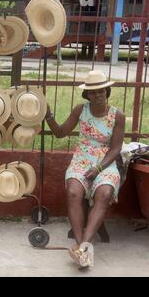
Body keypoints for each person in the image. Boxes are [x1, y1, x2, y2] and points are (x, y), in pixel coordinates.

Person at [45, 70, 125, 268]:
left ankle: (83, 246)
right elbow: (60, 133)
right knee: (73, 192)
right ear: (87, 94)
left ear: (107, 91)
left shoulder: (118, 115)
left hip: (105, 162)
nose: (97, 95)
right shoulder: (81, 110)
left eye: (100, 91)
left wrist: (98, 168)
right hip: (81, 160)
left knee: (105, 193)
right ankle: (81, 247)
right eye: (92, 92)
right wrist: (48, 116)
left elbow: (116, 148)